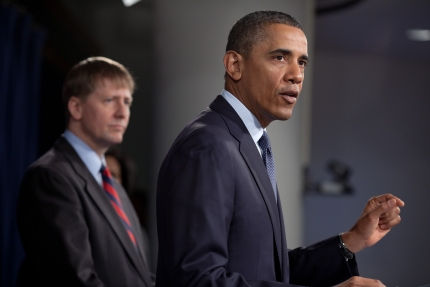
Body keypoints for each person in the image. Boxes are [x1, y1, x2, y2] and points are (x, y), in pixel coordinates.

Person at [156, 11, 404, 287]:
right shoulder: (207, 146)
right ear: (234, 65)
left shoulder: (249, 142)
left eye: (302, 62)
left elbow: (267, 270)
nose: (296, 75)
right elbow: (196, 280)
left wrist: (352, 240)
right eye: (279, 57)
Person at [16, 57, 153, 287]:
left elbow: (137, 276)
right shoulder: (50, 177)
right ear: (76, 108)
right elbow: (75, 280)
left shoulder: (114, 187)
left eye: (127, 102)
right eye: (110, 100)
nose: (122, 113)